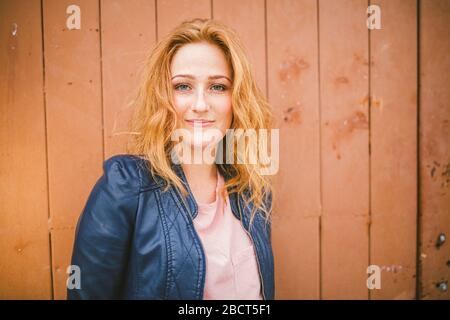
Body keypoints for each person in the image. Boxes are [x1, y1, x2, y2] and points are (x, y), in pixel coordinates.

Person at [67, 18, 275, 300]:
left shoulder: (252, 194)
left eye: (218, 87)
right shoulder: (125, 186)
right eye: (183, 87)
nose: (200, 105)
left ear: (236, 99)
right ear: (162, 97)